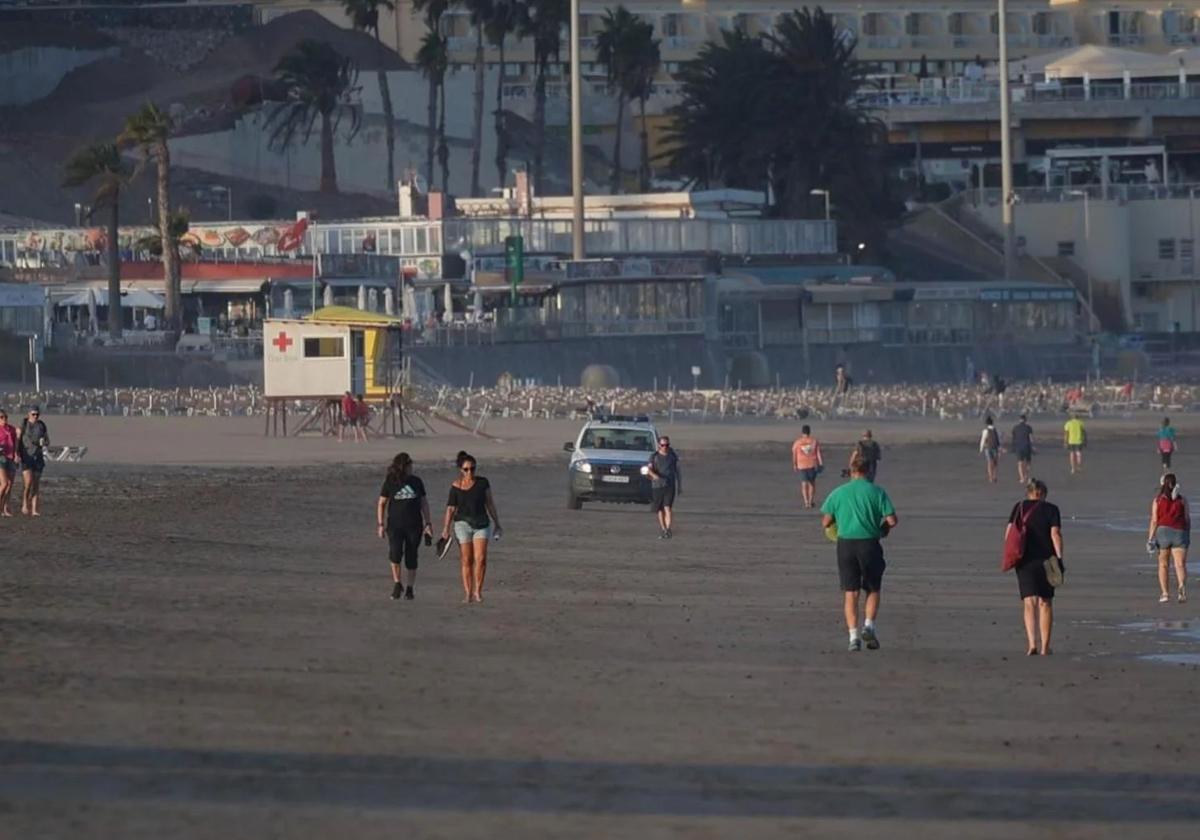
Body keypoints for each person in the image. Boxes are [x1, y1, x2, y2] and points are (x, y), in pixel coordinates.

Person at [820, 453, 899, 652]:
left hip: (845, 545)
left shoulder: (838, 492)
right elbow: (892, 521)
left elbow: (825, 521)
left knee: (850, 592)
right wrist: (882, 529)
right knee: (872, 588)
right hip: (870, 544)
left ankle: (853, 637)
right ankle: (869, 626)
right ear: (869, 471)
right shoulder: (877, 492)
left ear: (852, 472)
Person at [1006, 479, 1063, 655]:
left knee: (1029, 603)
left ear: (1029, 493)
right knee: (1045, 602)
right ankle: (1045, 647)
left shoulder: (1019, 507)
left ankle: (1032, 644)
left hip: (1024, 560)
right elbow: (1055, 534)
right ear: (1043, 493)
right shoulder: (1051, 509)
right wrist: (1060, 558)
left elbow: (1009, 533)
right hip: (1047, 560)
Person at [440, 452, 502, 604]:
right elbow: (450, 509)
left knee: (480, 559)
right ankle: (467, 593)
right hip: (462, 524)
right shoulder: (455, 486)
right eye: (467, 469)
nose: (470, 472)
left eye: (473, 469)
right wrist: (446, 529)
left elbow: (490, 503)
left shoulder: (483, 483)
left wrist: (497, 523)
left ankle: (478, 592)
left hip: (482, 524)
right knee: (467, 560)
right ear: (461, 470)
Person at [377, 452, 433, 601]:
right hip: (395, 526)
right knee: (395, 554)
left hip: (414, 526)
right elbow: (382, 503)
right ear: (403, 466)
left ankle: (410, 588)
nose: (411, 467)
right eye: (409, 465)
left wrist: (428, 524)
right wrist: (381, 524)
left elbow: (424, 503)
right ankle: (397, 583)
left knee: (411, 556)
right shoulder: (391, 481)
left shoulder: (416, 481)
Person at [1147, 472, 1189, 604]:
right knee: (1180, 564)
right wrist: (1186, 533)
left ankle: (1165, 593)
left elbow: (1154, 520)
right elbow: (1187, 518)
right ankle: (1181, 586)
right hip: (1179, 532)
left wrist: (1150, 539)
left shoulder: (1157, 500)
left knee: (1163, 564)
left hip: (1163, 532)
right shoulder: (1182, 500)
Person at [647, 435, 682, 538]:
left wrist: (680, 485)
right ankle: (663, 529)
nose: (665, 447)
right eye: (663, 445)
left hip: (669, 485)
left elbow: (678, 471)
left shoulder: (672, 456)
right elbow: (648, 469)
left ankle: (668, 529)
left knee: (667, 507)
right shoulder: (654, 456)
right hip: (657, 486)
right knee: (660, 509)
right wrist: (655, 476)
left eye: (667, 445)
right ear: (659, 445)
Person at [18, 406, 49, 517]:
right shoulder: (24, 424)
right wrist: (17, 454)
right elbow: (18, 439)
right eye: (33, 414)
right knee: (28, 483)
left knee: (36, 484)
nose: (35, 416)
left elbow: (47, 440)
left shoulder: (41, 425)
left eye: (37, 414)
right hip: (26, 456)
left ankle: (34, 509)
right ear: (28, 414)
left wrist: (44, 442)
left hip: (38, 456)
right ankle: (25, 504)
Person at [791, 425, 823, 508]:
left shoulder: (797, 442)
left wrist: (794, 464)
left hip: (802, 465)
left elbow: (794, 454)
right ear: (809, 432)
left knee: (804, 484)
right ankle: (810, 501)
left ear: (802, 432)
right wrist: (821, 463)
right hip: (812, 464)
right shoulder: (814, 441)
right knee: (812, 484)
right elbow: (818, 453)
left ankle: (806, 502)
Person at [0, 410, 17, 517]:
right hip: (0, 458)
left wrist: (17, 455)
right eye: (1, 417)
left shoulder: (11, 429)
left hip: (10, 458)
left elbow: (16, 442)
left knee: (9, 485)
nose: (4, 419)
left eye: (5, 417)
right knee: (4, 484)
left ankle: (4, 508)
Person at [1011, 414, 1035, 484]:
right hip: (1027, 446)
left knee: (1020, 463)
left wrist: (1013, 447)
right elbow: (1031, 438)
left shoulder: (1015, 428)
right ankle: (1026, 475)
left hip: (1019, 447)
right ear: (1025, 420)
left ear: (1019, 420)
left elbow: (1014, 438)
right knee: (1028, 462)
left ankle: (1021, 478)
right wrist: (1033, 446)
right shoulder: (1029, 428)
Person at [979, 416, 1001, 483]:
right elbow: (999, 440)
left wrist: (981, 449)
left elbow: (983, 440)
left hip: (988, 448)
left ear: (986, 424)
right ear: (992, 423)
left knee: (989, 463)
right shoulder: (997, 430)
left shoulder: (985, 431)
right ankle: (994, 476)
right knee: (995, 463)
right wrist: (1000, 448)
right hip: (995, 447)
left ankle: (990, 477)